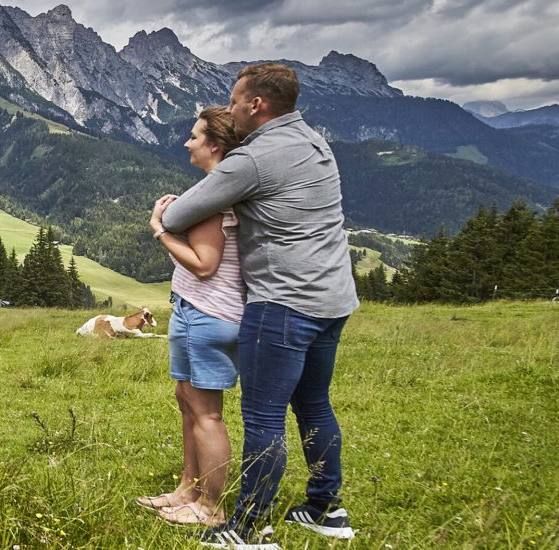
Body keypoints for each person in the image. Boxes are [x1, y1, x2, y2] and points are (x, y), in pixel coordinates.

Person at [161, 62, 360, 548]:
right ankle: (325, 509)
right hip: (333, 298)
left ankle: (249, 528)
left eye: (234, 101)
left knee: (263, 416)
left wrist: (161, 216)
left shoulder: (253, 158)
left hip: (283, 302)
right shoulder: (315, 142)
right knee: (314, 404)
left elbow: (184, 212)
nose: (230, 109)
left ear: (257, 104)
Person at [140, 107, 247, 527]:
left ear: (215, 145)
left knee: (207, 414)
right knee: (187, 403)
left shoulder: (215, 199)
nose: (187, 143)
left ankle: (211, 508)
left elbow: (205, 264)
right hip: (191, 310)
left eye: (194, 136)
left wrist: (160, 230)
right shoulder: (214, 192)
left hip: (210, 312)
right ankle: (188, 489)